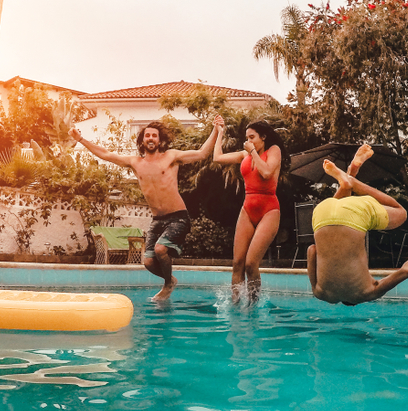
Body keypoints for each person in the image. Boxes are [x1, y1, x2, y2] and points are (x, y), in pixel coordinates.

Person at [70, 115, 223, 301]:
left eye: (154, 135)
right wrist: (80, 139)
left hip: (178, 217)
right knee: (149, 262)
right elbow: (106, 154)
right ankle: (171, 280)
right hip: (157, 220)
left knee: (160, 250)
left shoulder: (171, 157)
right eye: (147, 135)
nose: (151, 138)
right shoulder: (136, 163)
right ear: (142, 140)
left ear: (159, 140)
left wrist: (216, 130)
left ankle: (167, 285)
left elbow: (201, 153)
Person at [306, 146, 408, 305]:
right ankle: (346, 181)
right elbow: (312, 250)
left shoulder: (369, 292)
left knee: (401, 213)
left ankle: (352, 181)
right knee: (339, 208)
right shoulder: (320, 293)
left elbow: (406, 271)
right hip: (321, 214)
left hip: (355, 217)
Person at [212, 120, 286, 304]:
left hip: (269, 209)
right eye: (247, 139)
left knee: (251, 264)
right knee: (237, 263)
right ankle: (236, 305)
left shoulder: (274, 150)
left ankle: (252, 307)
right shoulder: (245, 154)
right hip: (247, 209)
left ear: (263, 137)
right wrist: (219, 132)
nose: (248, 141)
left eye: (252, 137)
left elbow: (267, 172)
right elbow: (217, 158)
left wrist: (252, 151)